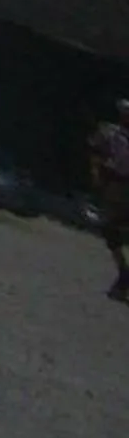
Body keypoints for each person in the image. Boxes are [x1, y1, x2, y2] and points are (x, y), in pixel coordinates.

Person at [90, 100, 129, 302]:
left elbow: (97, 152)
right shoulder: (112, 133)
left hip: (119, 185)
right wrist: (97, 172)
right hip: (116, 183)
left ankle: (123, 274)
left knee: (111, 228)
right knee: (111, 229)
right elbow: (97, 152)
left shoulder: (112, 133)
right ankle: (123, 273)